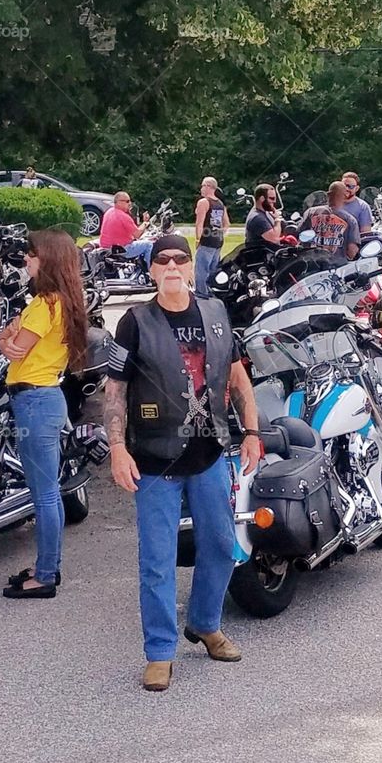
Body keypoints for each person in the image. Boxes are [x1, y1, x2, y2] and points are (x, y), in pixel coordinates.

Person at [104, 233, 260, 692]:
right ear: (151, 270)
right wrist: (117, 447)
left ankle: (206, 623)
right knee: (157, 560)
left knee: (220, 545)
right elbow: (116, 390)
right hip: (155, 462)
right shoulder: (133, 322)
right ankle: (159, 652)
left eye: (180, 259)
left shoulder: (215, 313)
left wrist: (251, 431)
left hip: (210, 454)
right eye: (162, 260)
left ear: (191, 267)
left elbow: (236, 377)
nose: (171, 266)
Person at [0, 230, 88, 599]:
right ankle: (45, 565)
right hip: (48, 396)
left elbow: (13, 349)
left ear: (46, 259)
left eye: (31, 255)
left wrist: (4, 338)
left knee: (44, 495)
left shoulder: (41, 305)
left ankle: (46, 574)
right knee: (46, 492)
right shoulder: (63, 303)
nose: (26, 261)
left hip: (33, 400)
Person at [297, 181, 360, 262]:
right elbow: (352, 251)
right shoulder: (350, 220)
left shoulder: (310, 213)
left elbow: (299, 236)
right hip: (336, 267)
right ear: (345, 196)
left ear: (328, 194)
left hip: (310, 265)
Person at [99, 191, 152, 271]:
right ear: (118, 202)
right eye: (127, 201)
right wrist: (145, 223)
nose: (130, 203)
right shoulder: (123, 216)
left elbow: (132, 230)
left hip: (106, 248)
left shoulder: (109, 212)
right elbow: (137, 234)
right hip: (122, 249)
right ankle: (151, 273)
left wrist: (143, 223)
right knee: (148, 244)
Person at [194, 177, 229, 294]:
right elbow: (227, 223)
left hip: (207, 240)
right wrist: (219, 233)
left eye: (203, 185)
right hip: (218, 240)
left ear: (209, 186)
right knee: (213, 269)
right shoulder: (220, 203)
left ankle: (201, 293)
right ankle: (212, 291)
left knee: (202, 270)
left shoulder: (203, 202)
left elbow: (199, 223)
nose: (201, 188)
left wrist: (198, 239)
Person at [341, 171, 373, 236]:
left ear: (357, 188)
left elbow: (365, 235)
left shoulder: (363, 207)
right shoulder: (331, 203)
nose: (346, 189)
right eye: (344, 185)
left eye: (350, 186)